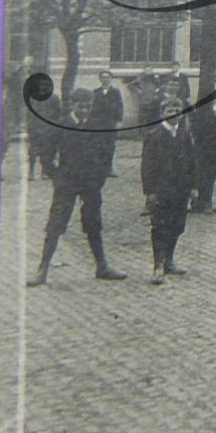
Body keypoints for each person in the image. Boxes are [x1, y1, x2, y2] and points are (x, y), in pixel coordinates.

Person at [26, 88, 125, 286]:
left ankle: (102, 265)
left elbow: (107, 151)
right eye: (81, 106)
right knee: (56, 223)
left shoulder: (96, 125)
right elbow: (46, 155)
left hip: (91, 183)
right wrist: (57, 176)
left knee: (93, 223)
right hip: (67, 183)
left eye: (88, 106)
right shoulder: (61, 126)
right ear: (72, 105)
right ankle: (43, 269)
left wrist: (100, 175)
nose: (85, 110)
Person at [140, 96, 198, 285]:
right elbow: (147, 166)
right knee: (160, 227)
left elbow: (191, 161)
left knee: (177, 225)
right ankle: (158, 266)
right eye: (170, 111)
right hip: (162, 190)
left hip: (180, 189)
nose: (174, 114)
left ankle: (169, 260)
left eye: (177, 110)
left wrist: (193, 187)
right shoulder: (154, 135)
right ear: (162, 113)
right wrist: (150, 192)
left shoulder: (184, 133)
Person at [25, 85, 62, 180]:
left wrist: (54, 125)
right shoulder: (33, 98)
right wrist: (29, 128)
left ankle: (44, 172)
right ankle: (31, 172)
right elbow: (29, 114)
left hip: (49, 129)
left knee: (47, 151)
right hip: (35, 128)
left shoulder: (54, 98)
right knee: (33, 152)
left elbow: (58, 112)